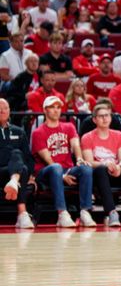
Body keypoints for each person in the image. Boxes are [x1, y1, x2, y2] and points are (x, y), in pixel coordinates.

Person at [31, 96, 96, 228]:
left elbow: (76, 145)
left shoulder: (69, 126)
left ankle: (85, 212)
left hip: (67, 169)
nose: (56, 110)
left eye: (58, 107)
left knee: (86, 168)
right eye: (52, 107)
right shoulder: (38, 132)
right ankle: (62, 213)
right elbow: (47, 159)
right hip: (46, 172)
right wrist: (62, 176)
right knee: (56, 167)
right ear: (45, 110)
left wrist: (79, 159)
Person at [0, 98, 36, 228]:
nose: (1, 110)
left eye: (5, 108)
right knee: (19, 162)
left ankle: (22, 214)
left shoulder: (18, 131)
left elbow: (28, 157)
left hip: (13, 173)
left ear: (10, 111)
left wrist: (32, 176)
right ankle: (22, 214)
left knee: (20, 159)